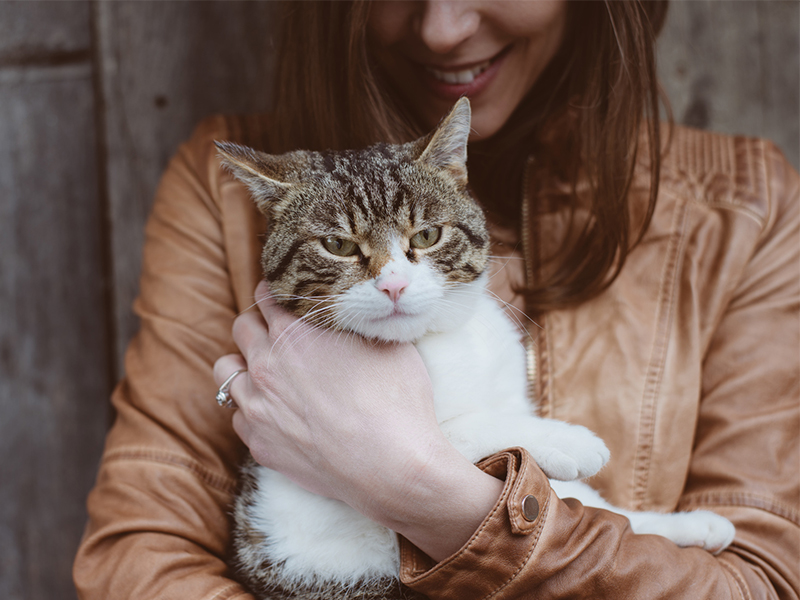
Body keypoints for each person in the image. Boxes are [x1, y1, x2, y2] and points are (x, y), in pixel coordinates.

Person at [73, 1, 799, 598]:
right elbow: (139, 557)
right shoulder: (222, 186)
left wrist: (423, 490)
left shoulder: (750, 208)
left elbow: (760, 580)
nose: (442, 28)